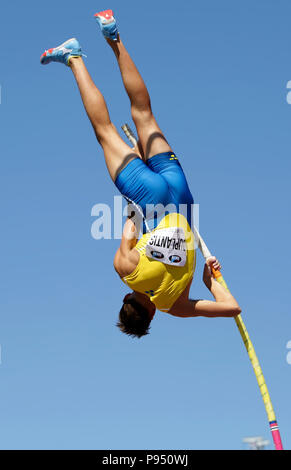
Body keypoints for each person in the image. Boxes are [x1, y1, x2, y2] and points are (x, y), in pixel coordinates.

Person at [40, 9, 241, 338]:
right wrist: (136, 167)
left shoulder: (175, 305)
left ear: (151, 317)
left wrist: (211, 281)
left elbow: (232, 307)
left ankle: (110, 38)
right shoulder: (126, 271)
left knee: (145, 116)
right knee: (108, 130)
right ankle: (81, 54)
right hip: (149, 196)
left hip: (182, 196)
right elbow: (133, 218)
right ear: (124, 299)